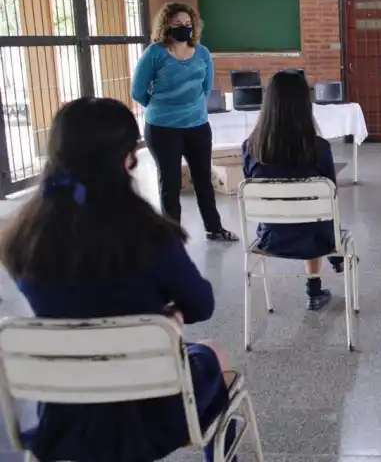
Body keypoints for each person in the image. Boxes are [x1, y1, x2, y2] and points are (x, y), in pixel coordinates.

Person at [0, 97, 234, 462]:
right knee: (213, 352)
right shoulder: (148, 233)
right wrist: (163, 316)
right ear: (127, 157)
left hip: (66, 411)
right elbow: (201, 305)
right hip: (147, 407)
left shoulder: (24, 236)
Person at [131, 2, 237, 241]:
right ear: (166, 24)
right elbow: (137, 91)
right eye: (177, 24)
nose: (183, 27)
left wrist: (189, 108)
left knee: (203, 181)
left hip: (197, 126)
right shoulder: (154, 53)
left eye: (188, 24)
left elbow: (206, 86)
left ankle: (214, 228)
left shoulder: (202, 53)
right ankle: (171, 236)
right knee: (170, 184)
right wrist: (163, 108)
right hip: (162, 129)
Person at [243, 69, 343, 311]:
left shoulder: (251, 147)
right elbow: (331, 196)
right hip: (316, 238)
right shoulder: (319, 148)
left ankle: (330, 262)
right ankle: (315, 289)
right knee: (314, 216)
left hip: (270, 238)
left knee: (303, 216)